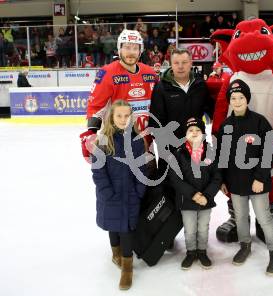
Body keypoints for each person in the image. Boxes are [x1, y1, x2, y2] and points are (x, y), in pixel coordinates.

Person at [217, 79, 273, 276]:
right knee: (241, 218)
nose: (237, 101)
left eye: (241, 97)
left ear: (247, 99)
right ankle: (245, 245)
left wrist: (260, 178)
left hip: (257, 182)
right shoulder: (226, 125)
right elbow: (222, 156)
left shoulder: (260, 122)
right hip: (235, 182)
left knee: (264, 218)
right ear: (229, 101)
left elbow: (268, 152)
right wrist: (221, 179)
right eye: (233, 98)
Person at [91, 100, 147, 290]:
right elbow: (98, 171)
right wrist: (107, 192)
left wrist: (139, 191)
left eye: (127, 115)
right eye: (119, 116)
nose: (123, 119)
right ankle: (116, 254)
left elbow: (143, 169)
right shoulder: (104, 140)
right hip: (110, 194)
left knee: (126, 229)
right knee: (112, 226)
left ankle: (127, 266)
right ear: (112, 118)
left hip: (130, 194)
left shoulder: (138, 140)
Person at [80, 29, 157, 163]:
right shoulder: (107, 73)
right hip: (117, 142)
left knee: (150, 181)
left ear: (141, 51)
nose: (131, 52)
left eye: (135, 48)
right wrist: (91, 133)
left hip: (145, 142)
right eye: (127, 47)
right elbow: (96, 106)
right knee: (120, 181)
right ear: (119, 49)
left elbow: (159, 105)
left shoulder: (150, 73)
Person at [169, 117, 221, 270]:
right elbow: (175, 178)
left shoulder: (211, 152)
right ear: (185, 133)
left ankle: (202, 251)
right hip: (187, 199)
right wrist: (193, 194)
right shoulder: (178, 153)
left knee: (203, 227)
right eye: (190, 130)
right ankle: (191, 252)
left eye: (198, 130)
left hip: (206, 200)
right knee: (190, 228)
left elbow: (217, 177)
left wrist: (207, 196)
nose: (194, 132)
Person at [150, 47, 214, 144]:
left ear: (191, 63)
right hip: (172, 150)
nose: (180, 66)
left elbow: (212, 111)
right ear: (171, 64)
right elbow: (155, 122)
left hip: (197, 146)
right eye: (176, 63)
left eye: (184, 62)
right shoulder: (161, 88)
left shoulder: (200, 85)